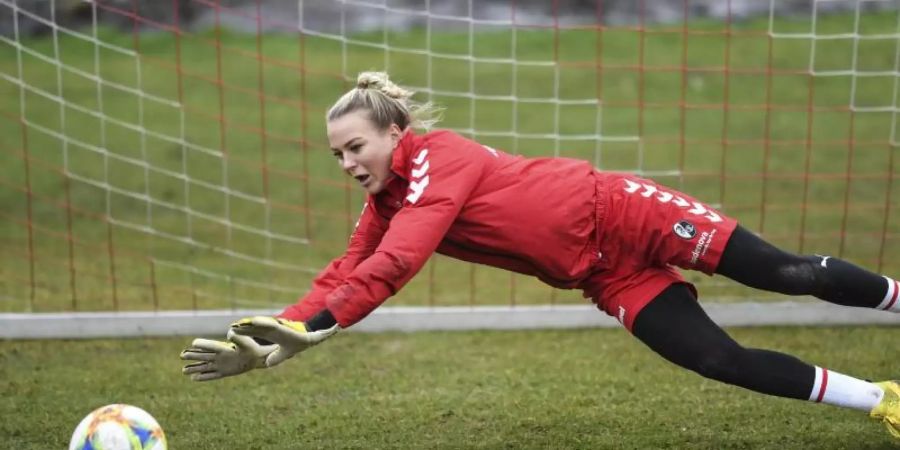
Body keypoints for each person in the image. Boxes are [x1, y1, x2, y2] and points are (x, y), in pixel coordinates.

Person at [180, 71, 900, 438]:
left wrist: (322, 325)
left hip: (629, 214)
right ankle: (884, 400)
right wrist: (287, 328)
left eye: (356, 147)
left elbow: (397, 264)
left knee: (784, 272)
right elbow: (346, 272)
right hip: (604, 272)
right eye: (336, 154)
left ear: (396, 132)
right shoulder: (384, 205)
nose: (346, 163)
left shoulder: (441, 159)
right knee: (717, 360)